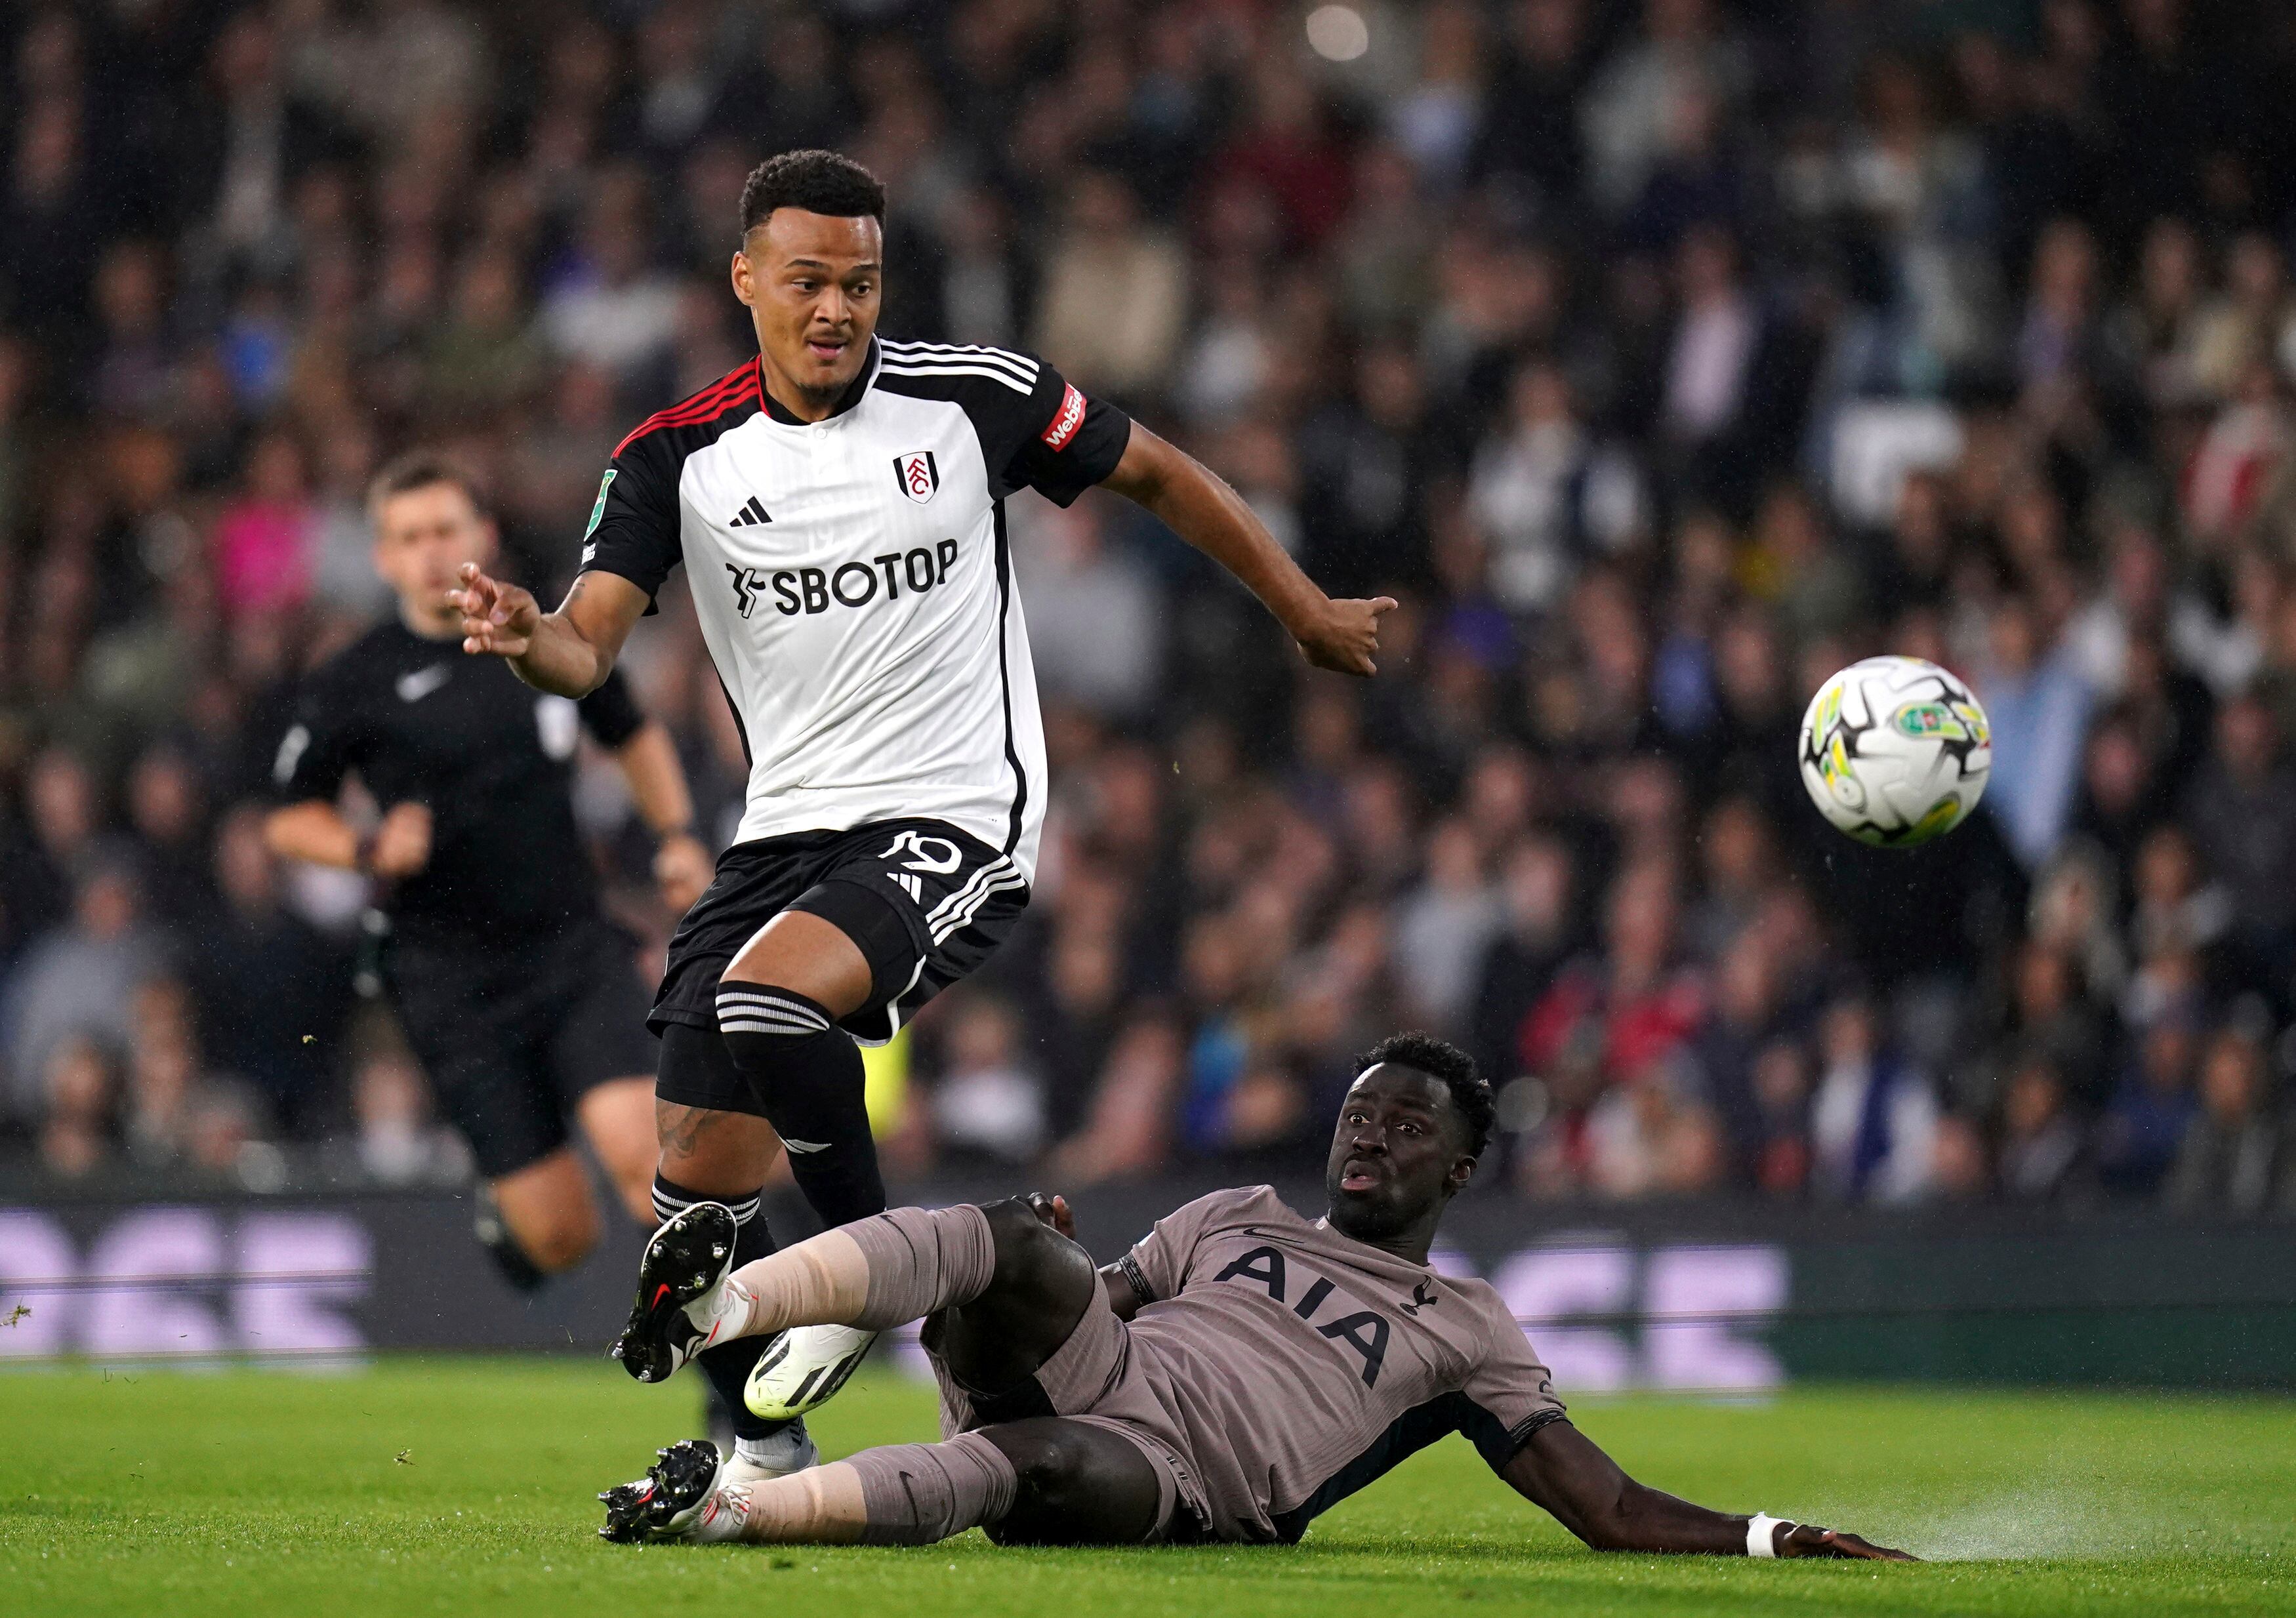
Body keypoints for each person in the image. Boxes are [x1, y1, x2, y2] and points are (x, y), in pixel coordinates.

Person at [447, 147, 1393, 1474]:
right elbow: (586, 645)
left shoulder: (972, 398)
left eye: (861, 283)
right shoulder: (674, 459)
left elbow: (1163, 474)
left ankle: (863, 1283)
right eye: (807, 283)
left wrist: (1300, 608)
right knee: (691, 1178)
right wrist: (529, 632)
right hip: (781, 831)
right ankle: (758, 1446)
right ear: (745, 283)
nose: (836, 310)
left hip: (955, 810)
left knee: (769, 1004)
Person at [596, 1032, 1911, 1558]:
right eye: (1359, 1113)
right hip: (1103, 1363)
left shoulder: (1467, 1331)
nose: (1370, 1135)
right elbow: (1099, 1297)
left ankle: (724, 1513)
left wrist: (1767, 1538)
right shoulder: (1233, 1213)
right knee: (1004, 1231)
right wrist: (1039, 1264)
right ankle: (715, 1310)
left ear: (1455, 1167)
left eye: (1403, 1127)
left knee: (1022, 1463)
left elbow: (1607, 1508)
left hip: (1180, 1478)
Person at [266, 453, 714, 1290]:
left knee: (649, 1170)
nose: (431, 552)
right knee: (559, 1236)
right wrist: (365, 847)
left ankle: (734, 1384)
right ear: (382, 557)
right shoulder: (355, 680)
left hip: (572, 945)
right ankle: (509, 1211)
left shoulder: (540, 637)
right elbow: (290, 815)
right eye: (409, 537)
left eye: (445, 529)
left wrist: (678, 834)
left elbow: (631, 730)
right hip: (449, 980)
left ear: (485, 535)